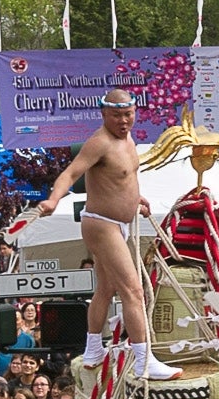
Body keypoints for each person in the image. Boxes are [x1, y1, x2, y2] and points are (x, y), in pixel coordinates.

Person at [36, 90, 180, 381]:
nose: (123, 121)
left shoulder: (128, 140)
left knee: (105, 289)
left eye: (128, 114)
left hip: (118, 222)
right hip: (102, 224)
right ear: (104, 114)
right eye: (117, 115)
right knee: (134, 290)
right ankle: (144, 361)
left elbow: (124, 178)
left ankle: (92, 351)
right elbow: (70, 174)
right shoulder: (99, 142)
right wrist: (53, 199)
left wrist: (136, 199)